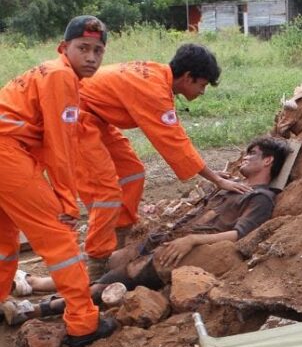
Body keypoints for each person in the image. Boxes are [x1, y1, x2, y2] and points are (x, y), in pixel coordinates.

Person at [4, 136, 291, 325]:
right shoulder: (230, 187)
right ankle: (37, 284)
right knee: (111, 260)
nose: (244, 158)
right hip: (166, 240)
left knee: (109, 283)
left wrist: (192, 240)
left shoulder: (261, 197)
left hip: (179, 252)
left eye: (252, 154)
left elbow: (239, 235)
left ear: (268, 161)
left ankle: (33, 310)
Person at [76, 43, 252, 280]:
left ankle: (119, 235)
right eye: (202, 85)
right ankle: (97, 265)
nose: (202, 92)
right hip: (73, 117)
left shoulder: (158, 76)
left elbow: (175, 136)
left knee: (132, 171)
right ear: (188, 77)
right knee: (106, 192)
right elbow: (176, 144)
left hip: (95, 118)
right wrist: (217, 180)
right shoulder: (153, 90)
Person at [0, 16, 116, 347]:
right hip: (7, 154)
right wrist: (66, 199)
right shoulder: (63, 77)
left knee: (4, 235)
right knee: (60, 238)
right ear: (64, 48)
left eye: (98, 50)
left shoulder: (50, 71)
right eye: (84, 48)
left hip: (8, 152)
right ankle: (83, 323)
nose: (92, 57)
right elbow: (60, 145)